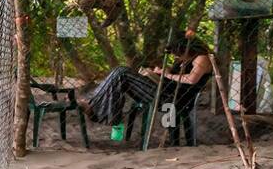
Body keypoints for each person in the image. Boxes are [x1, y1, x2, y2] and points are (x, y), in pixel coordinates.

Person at [82, 33, 213, 124]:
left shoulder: (202, 58)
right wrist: (157, 72)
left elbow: (191, 79)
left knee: (122, 71)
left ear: (187, 49)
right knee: (119, 74)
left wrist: (165, 74)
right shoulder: (185, 59)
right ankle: (100, 109)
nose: (177, 57)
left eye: (178, 54)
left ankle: (95, 105)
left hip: (171, 98)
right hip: (164, 89)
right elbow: (175, 74)